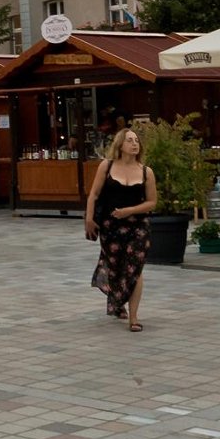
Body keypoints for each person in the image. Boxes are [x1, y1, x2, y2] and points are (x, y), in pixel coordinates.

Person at [83, 129, 156, 330]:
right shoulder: (106, 167)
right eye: (129, 140)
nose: (134, 144)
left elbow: (152, 202)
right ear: (120, 145)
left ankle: (134, 317)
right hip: (110, 227)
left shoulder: (146, 171)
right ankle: (118, 301)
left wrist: (130, 211)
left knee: (135, 267)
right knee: (116, 268)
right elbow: (94, 195)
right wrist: (89, 219)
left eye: (136, 141)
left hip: (138, 226)